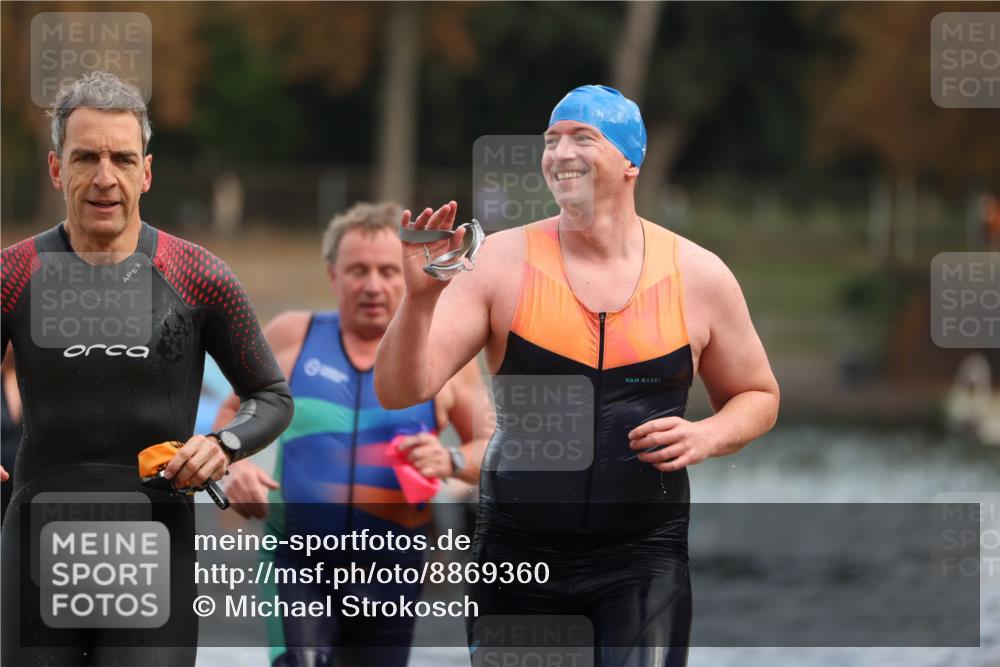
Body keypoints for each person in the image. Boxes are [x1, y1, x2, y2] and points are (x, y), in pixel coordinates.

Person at [375, 85, 780, 666]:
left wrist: (708, 434)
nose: (559, 153)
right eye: (550, 140)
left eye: (582, 138)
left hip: (644, 559)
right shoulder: (497, 263)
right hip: (516, 556)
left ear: (629, 162)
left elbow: (759, 395)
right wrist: (417, 302)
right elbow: (399, 390)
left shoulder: (699, 276)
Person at [0, 71, 293, 666]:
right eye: (85, 157)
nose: (104, 178)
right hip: (34, 544)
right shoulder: (13, 274)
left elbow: (271, 393)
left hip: (152, 548)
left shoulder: (197, 275)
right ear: (57, 170)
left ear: (147, 172)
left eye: (121, 158)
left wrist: (224, 444)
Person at [217, 202, 490, 667]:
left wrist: (450, 462)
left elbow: (492, 449)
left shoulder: (443, 353)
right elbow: (228, 414)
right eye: (357, 270)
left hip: (394, 569)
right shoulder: (292, 337)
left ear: (407, 272)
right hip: (296, 561)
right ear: (333, 276)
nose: (373, 285)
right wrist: (233, 465)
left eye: (387, 270)